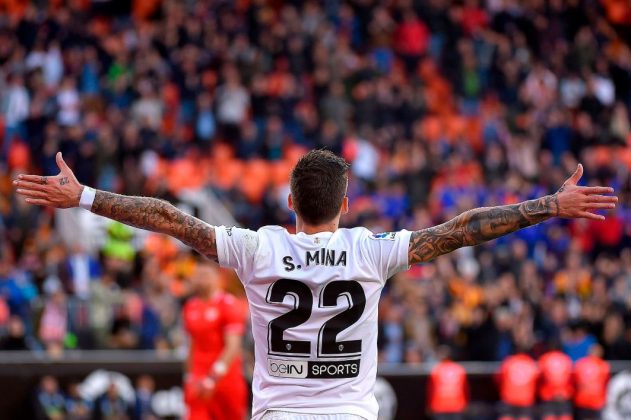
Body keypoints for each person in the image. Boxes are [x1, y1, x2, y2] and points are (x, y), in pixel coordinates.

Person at [14, 150, 617, 420]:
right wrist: (548, 205)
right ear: (345, 205)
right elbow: (463, 230)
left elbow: (169, 218)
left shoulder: (257, 248)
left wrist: (85, 196)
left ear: (288, 201)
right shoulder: (370, 252)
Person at [183, 261, 247, 420]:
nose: (200, 280)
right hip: (199, 380)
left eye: (205, 275)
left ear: (217, 277)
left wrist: (213, 377)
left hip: (226, 380)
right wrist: (189, 376)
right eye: (198, 275)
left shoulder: (228, 304)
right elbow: (191, 345)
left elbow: (233, 346)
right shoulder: (190, 306)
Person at [496, 349, 540, 420]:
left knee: (506, 416)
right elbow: (538, 380)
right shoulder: (531, 363)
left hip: (509, 398)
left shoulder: (508, 362)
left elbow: (498, 378)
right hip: (526, 399)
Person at [427, 346, 468, 420]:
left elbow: (431, 390)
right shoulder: (459, 368)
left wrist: (429, 405)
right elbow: (466, 389)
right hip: (456, 406)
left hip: (440, 406)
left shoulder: (436, 369)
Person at [573, 345, 610, 420]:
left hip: (587, 400)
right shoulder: (603, 365)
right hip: (592, 401)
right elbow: (606, 382)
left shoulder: (580, 363)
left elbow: (575, 381)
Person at [538, 345, 573, 420]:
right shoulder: (566, 359)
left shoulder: (545, 358)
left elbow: (540, 376)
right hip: (563, 395)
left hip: (548, 395)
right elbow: (570, 378)